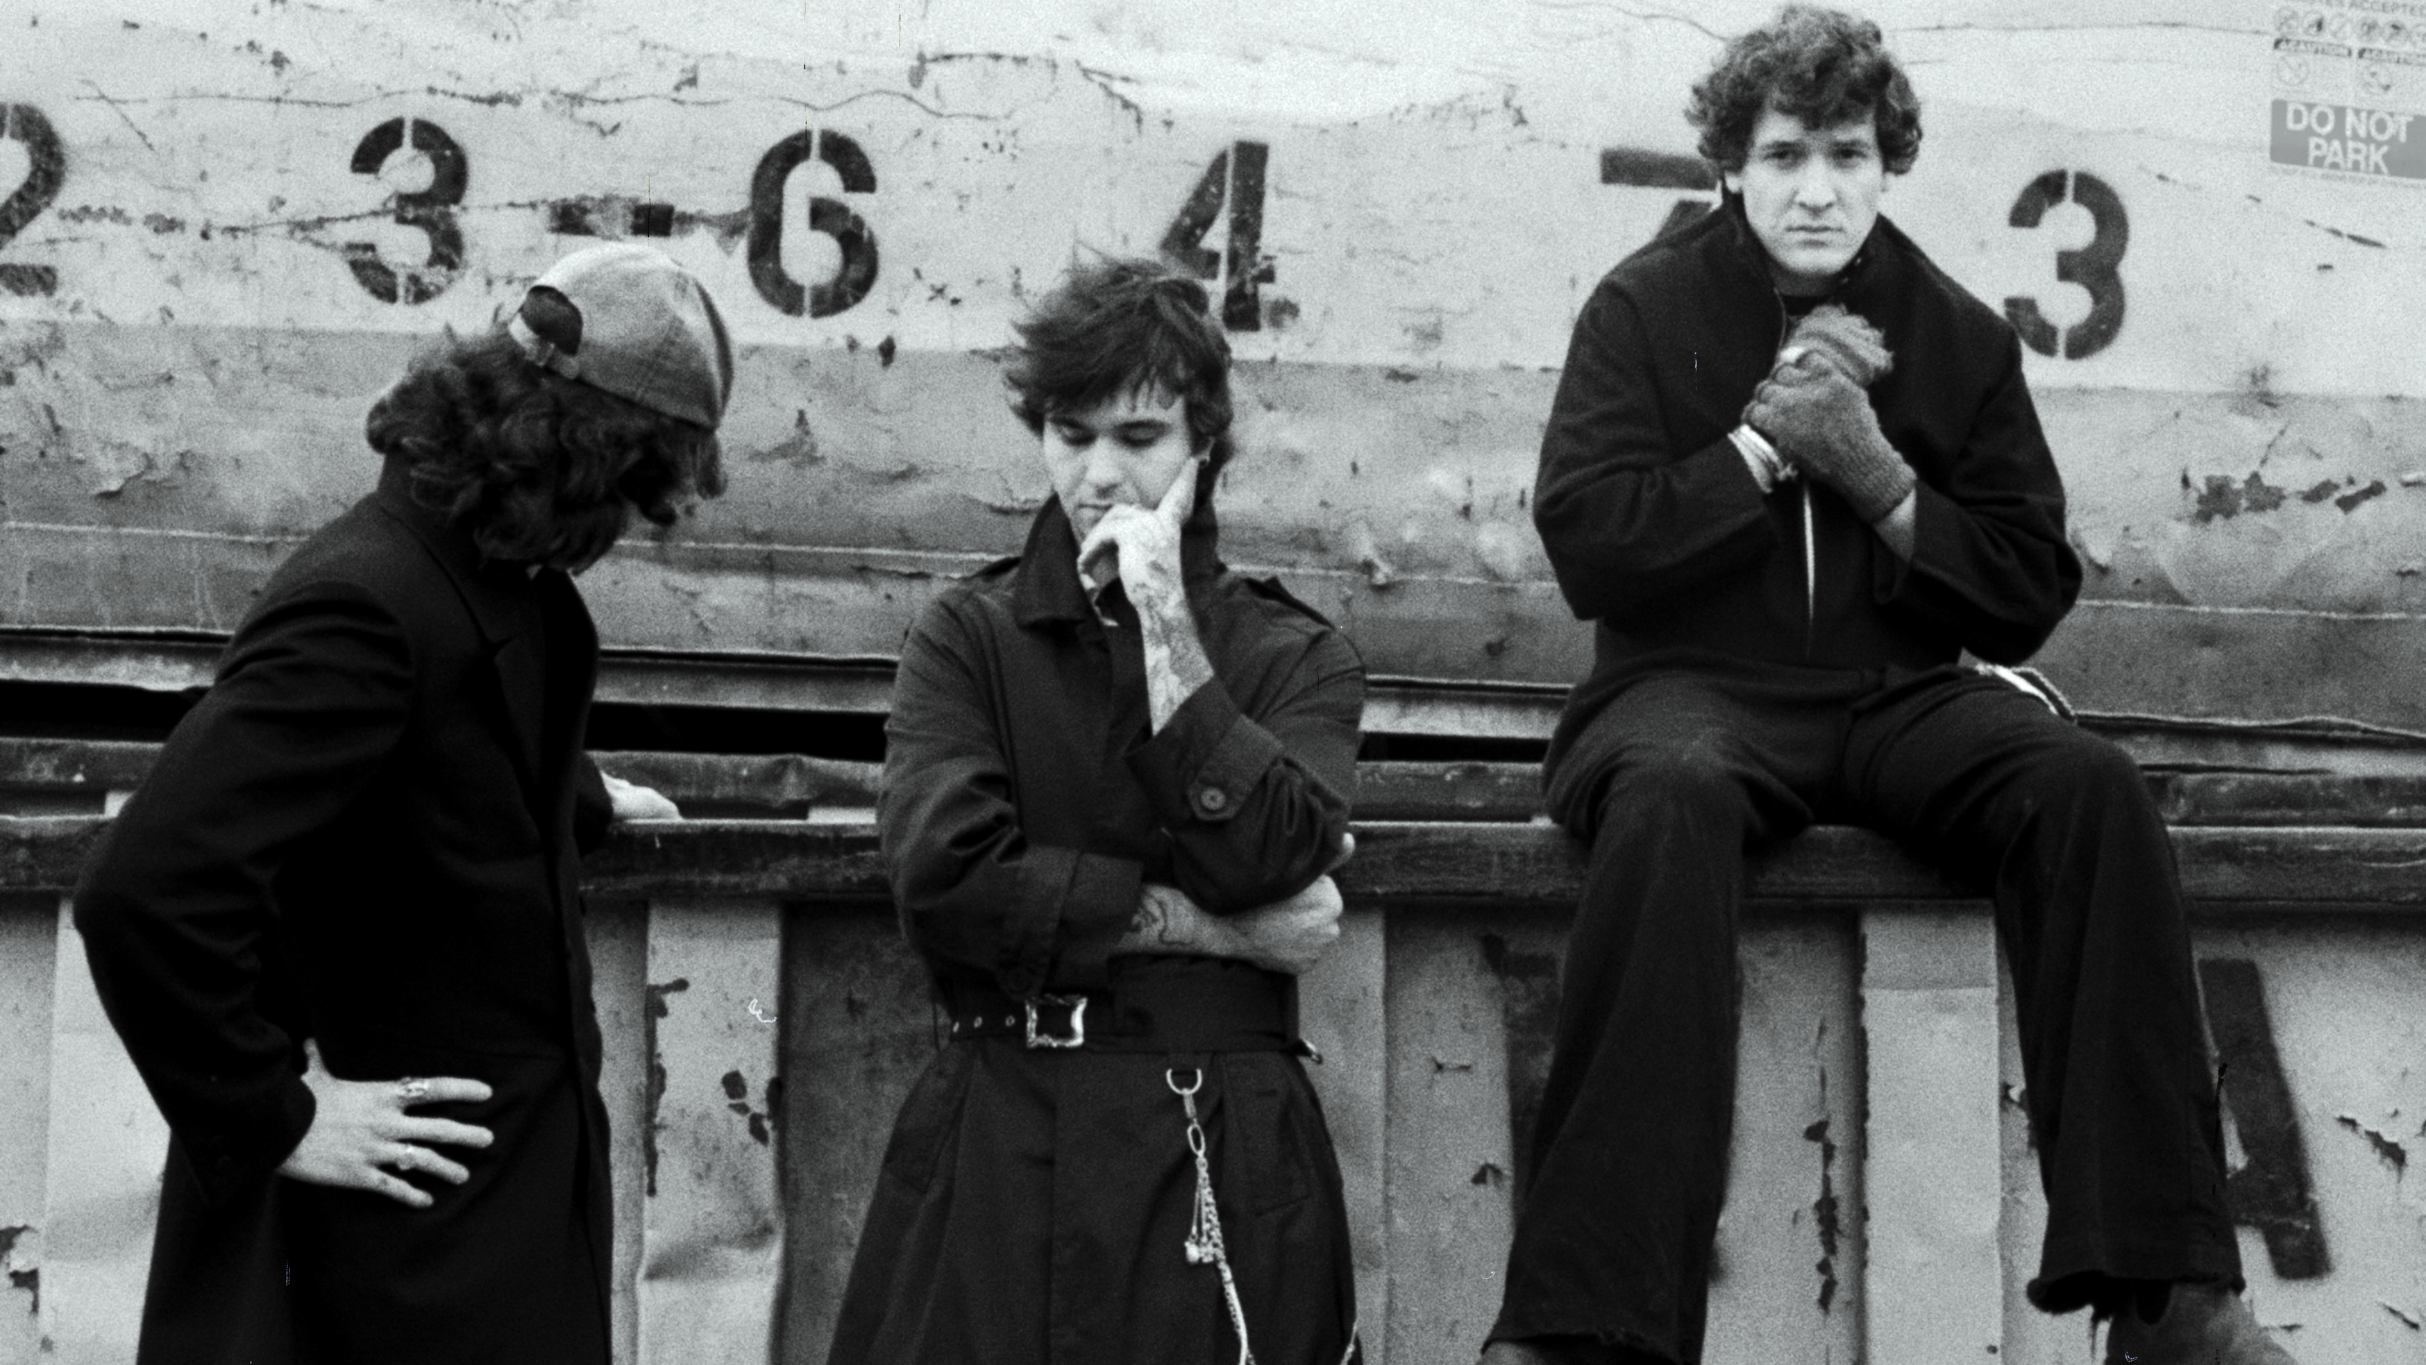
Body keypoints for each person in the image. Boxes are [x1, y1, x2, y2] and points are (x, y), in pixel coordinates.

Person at [1488, 8, 2291, 1365]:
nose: (1816, 189)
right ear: (1729, 163)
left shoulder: (1955, 334)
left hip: (1894, 694)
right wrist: (1756, 452)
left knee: (2087, 789)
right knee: (1670, 797)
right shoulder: (1643, 309)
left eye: (1846, 155)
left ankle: (2168, 1301)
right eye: (1783, 154)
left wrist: (1876, 478)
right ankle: (1586, 1332)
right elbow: (1588, 542)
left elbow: (2024, 586)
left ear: (1885, 163)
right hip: (1690, 691)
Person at [73, 242, 731, 1365]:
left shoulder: (486, 576)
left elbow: (428, 760)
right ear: (582, 460)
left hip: (488, 1221)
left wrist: (565, 793)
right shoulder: (366, 604)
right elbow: (142, 891)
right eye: (632, 497)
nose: (625, 532)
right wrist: (276, 1113)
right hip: (393, 1256)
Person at [828, 256, 1365, 1364]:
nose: (1101, 474)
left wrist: (1162, 610)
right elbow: (945, 883)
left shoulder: (1294, 654)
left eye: (1140, 436)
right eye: (1071, 436)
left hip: (1218, 1143)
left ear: (1203, 443)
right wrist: (1212, 930)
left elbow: (1268, 849)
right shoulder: (968, 636)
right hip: (1001, 1139)